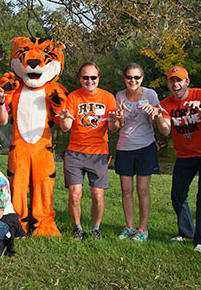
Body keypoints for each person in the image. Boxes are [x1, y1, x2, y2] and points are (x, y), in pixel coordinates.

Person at [154, 66, 201, 253]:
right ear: (168, 83)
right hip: (185, 155)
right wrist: (159, 115)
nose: (176, 84)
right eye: (172, 81)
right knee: (178, 194)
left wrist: (199, 107)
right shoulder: (166, 103)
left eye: (179, 80)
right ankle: (186, 232)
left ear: (187, 82)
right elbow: (166, 130)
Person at [58, 62, 118, 241]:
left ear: (98, 78)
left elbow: (113, 128)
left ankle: (95, 228)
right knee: (75, 195)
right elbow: (65, 127)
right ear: (80, 79)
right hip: (75, 152)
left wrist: (115, 120)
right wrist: (64, 119)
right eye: (85, 77)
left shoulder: (108, 98)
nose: (89, 81)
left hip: (99, 152)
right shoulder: (73, 97)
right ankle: (77, 227)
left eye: (93, 77)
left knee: (97, 196)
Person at [114, 63, 160, 242]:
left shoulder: (150, 95)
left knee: (142, 189)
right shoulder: (119, 96)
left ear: (142, 79)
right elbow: (117, 126)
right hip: (124, 147)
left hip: (145, 147)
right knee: (126, 190)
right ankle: (129, 227)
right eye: (129, 77)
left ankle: (143, 228)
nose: (132, 81)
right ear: (125, 78)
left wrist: (152, 112)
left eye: (136, 78)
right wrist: (119, 116)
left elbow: (154, 121)